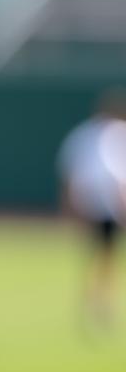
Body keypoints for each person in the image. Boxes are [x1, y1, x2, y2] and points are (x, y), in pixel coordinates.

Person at [56, 90, 126, 324]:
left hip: (102, 206)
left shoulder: (109, 133)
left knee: (104, 256)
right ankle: (96, 302)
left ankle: (99, 301)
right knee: (101, 255)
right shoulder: (98, 135)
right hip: (101, 206)